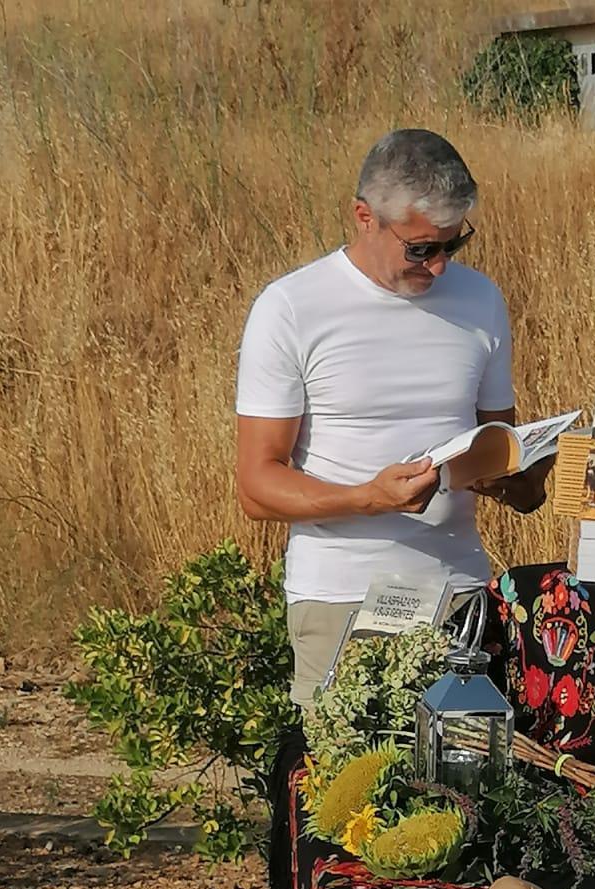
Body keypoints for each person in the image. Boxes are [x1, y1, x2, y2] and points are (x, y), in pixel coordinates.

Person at [235, 128, 551, 705]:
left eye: (452, 247)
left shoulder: (481, 300)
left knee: (468, 790)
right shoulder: (290, 309)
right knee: (342, 789)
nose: (437, 268)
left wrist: (521, 476)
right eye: (420, 248)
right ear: (363, 217)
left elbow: (507, 454)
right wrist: (369, 498)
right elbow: (257, 487)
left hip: (460, 597)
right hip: (340, 600)